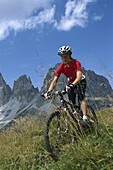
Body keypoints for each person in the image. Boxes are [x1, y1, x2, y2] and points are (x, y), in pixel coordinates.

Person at [44, 45, 87, 121]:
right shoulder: (61, 67)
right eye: (62, 57)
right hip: (71, 83)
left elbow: (79, 77)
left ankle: (84, 117)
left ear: (70, 55)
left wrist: (73, 85)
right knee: (72, 102)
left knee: (81, 96)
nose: (64, 58)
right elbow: (54, 81)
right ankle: (78, 119)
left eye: (66, 56)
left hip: (80, 81)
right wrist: (48, 92)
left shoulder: (76, 62)